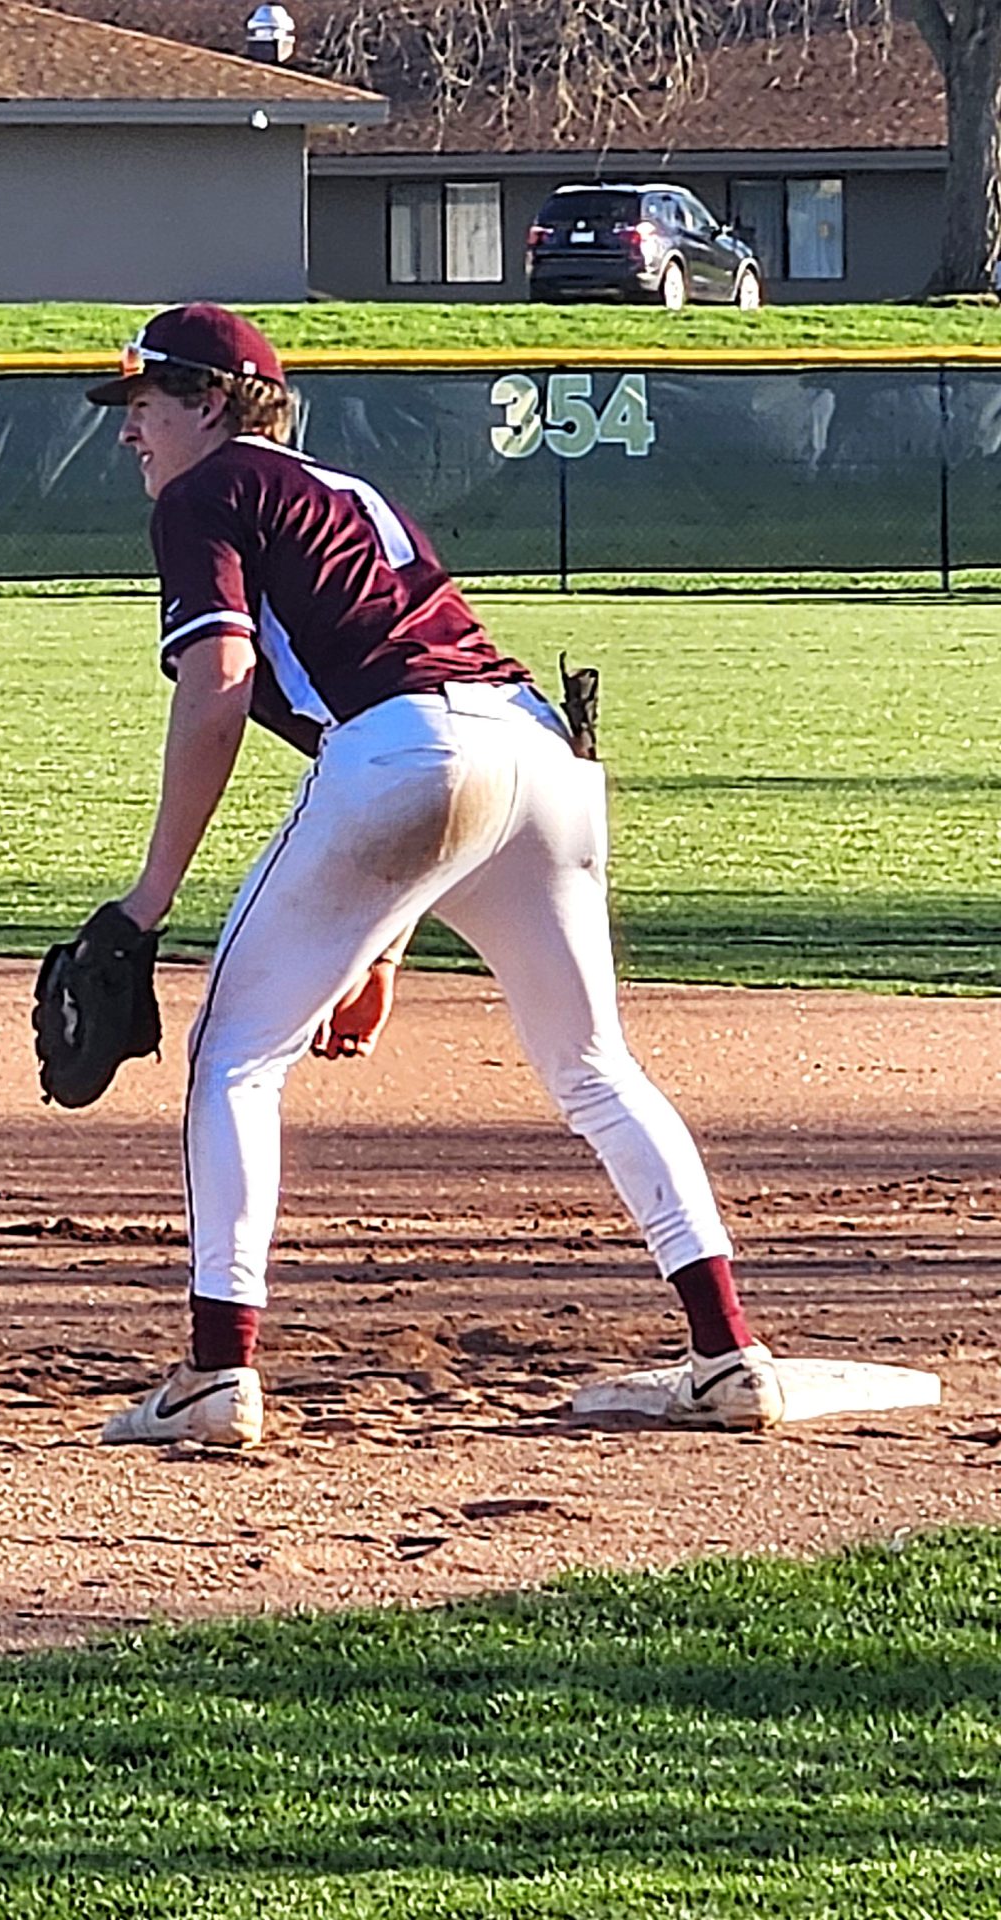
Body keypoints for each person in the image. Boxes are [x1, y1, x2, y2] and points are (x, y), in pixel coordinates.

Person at [79, 305, 782, 1445]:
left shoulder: (208, 494)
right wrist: (383, 938)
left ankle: (216, 1376)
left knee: (234, 1056)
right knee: (594, 1065)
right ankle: (727, 1355)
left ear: (209, 401)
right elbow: (427, 693)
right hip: (540, 753)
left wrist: (145, 904)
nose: (129, 434)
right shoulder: (340, 491)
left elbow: (218, 684)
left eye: (145, 405)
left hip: (413, 755)